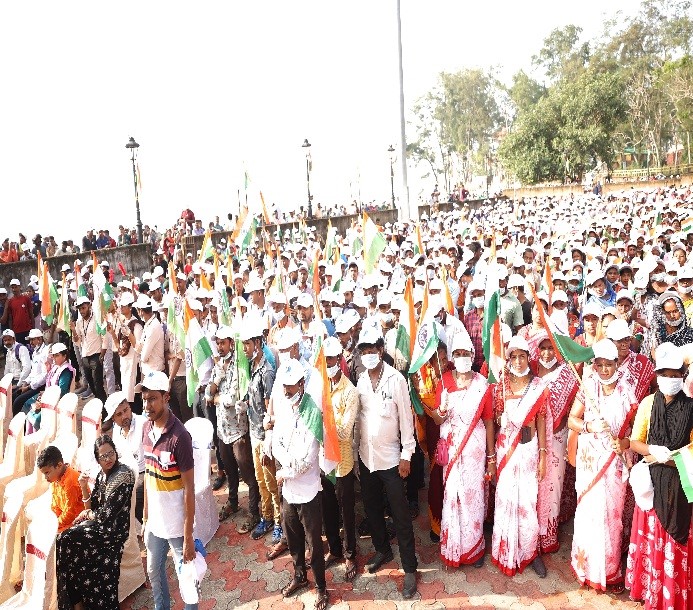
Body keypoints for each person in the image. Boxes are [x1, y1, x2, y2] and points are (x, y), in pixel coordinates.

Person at [626, 342, 693, 608]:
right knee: (651, 538)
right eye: (665, 374)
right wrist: (652, 449)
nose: (670, 379)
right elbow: (634, 441)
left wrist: (675, 458)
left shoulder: (690, 407)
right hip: (651, 485)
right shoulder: (647, 404)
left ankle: (673, 597)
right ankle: (650, 591)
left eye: (676, 375)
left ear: (683, 375)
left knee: (677, 540)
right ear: (657, 376)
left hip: (680, 483)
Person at [568, 339, 637, 593]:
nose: (605, 370)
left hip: (614, 463)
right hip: (590, 462)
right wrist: (589, 426)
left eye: (609, 365)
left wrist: (625, 444)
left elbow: (632, 430)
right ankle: (584, 567)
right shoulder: (588, 386)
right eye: (600, 365)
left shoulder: (626, 390)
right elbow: (572, 419)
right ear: (594, 365)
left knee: (611, 516)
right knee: (588, 513)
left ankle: (608, 570)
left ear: (617, 364)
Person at [356, 324, 417, 599]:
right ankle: (382, 549)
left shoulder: (396, 380)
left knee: (401, 515)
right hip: (367, 460)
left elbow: (407, 420)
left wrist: (406, 456)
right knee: (371, 508)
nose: (369, 354)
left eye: (373, 349)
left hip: (392, 460)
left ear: (381, 350)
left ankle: (410, 568)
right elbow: (359, 420)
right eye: (364, 350)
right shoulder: (360, 380)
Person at [272, 358, 328, 610]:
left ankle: (321, 587)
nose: (287, 391)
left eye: (291, 386)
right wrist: (285, 466)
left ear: (302, 384)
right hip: (288, 492)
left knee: (314, 545)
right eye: (284, 386)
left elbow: (308, 459)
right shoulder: (284, 408)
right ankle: (299, 577)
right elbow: (276, 443)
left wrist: (286, 471)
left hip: (307, 492)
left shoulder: (313, 413)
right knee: (293, 539)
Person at [491, 335, 549, 578]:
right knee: (506, 500)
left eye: (521, 356)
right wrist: (500, 419)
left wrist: (543, 454)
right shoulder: (500, 386)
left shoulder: (538, 386)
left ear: (528, 358)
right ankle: (504, 551)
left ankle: (529, 553)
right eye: (512, 356)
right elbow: (493, 420)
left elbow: (542, 420)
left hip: (527, 450)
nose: (517, 360)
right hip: (506, 450)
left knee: (527, 503)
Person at [56, 435, 135, 610]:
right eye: (103, 456)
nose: (108, 459)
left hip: (114, 532)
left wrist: (87, 513)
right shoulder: (102, 475)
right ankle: (76, 602)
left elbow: (104, 515)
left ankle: (78, 603)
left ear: (115, 452)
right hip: (99, 528)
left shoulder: (124, 475)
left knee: (67, 539)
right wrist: (84, 488)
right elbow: (95, 506)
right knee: (63, 541)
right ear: (98, 459)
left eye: (111, 453)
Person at [140, 370, 197, 610]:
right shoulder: (145, 428)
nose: (147, 404)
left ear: (166, 398)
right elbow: (148, 478)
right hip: (154, 523)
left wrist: (187, 537)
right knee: (154, 571)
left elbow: (189, 489)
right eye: (144, 399)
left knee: (187, 581)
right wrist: (144, 518)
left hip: (176, 525)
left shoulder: (180, 436)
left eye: (152, 398)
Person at [436, 333, 494, 567]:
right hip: (451, 450)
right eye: (457, 354)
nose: (462, 358)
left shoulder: (482, 384)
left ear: (472, 355)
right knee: (453, 497)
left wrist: (491, 456)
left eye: (465, 354)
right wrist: (441, 409)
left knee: (473, 498)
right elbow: (439, 420)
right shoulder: (445, 381)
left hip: (474, 450)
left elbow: (489, 421)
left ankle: (474, 549)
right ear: (452, 357)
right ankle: (453, 548)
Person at [321, 336, 359, 581]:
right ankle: (334, 549)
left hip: (343, 461)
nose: (328, 363)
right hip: (325, 461)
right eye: (324, 360)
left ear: (340, 359)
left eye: (332, 359)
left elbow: (345, 431)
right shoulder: (320, 386)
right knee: (328, 509)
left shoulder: (350, 391)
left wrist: (323, 421)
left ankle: (350, 553)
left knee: (346, 511)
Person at [103, 391, 146, 525]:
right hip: (127, 473)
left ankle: (147, 527)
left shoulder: (143, 424)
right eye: (119, 414)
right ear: (113, 419)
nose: (124, 416)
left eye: (126, 410)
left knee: (134, 497)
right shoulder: (117, 429)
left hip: (145, 472)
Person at [24, 342, 75, 431]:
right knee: (28, 403)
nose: (54, 358)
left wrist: (44, 399)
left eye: (57, 355)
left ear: (64, 356)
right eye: (53, 356)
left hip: (56, 401)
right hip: (49, 396)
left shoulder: (65, 370)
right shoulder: (56, 367)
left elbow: (61, 392)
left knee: (35, 417)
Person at [38, 445, 82, 533]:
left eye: (47, 473)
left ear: (59, 465)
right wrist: (53, 521)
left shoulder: (71, 482)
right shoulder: (55, 479)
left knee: (52, 537)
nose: (46, 477)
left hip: (78, 521)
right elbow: (56, 506)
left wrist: (55, 525)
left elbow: (70, 514)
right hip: (65, 519)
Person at [71, 296, 107, 402]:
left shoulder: (97, 319)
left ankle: (105, 410)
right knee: (92, 386)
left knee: (98, 386)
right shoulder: (78, 322)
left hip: (96, 356)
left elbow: (104, 337)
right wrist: (73, 330)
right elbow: (78, 341)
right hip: (85, 356)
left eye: (84, 308)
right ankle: (99, 408)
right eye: (80, 309)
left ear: (89, 306)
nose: (82, 311)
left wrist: (102, 355)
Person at [12, 328, 48, 415]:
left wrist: (29, 387)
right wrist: (25, 382)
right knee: (14, 394)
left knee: (18, 401)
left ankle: (22, 425)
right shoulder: (35, 353)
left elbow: (44, 375)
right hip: (32, 383)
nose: (30, 343)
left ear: (39, 339)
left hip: (40, 386)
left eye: (32, 340)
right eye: (30, 340)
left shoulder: (45, 352)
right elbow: (33, 372)